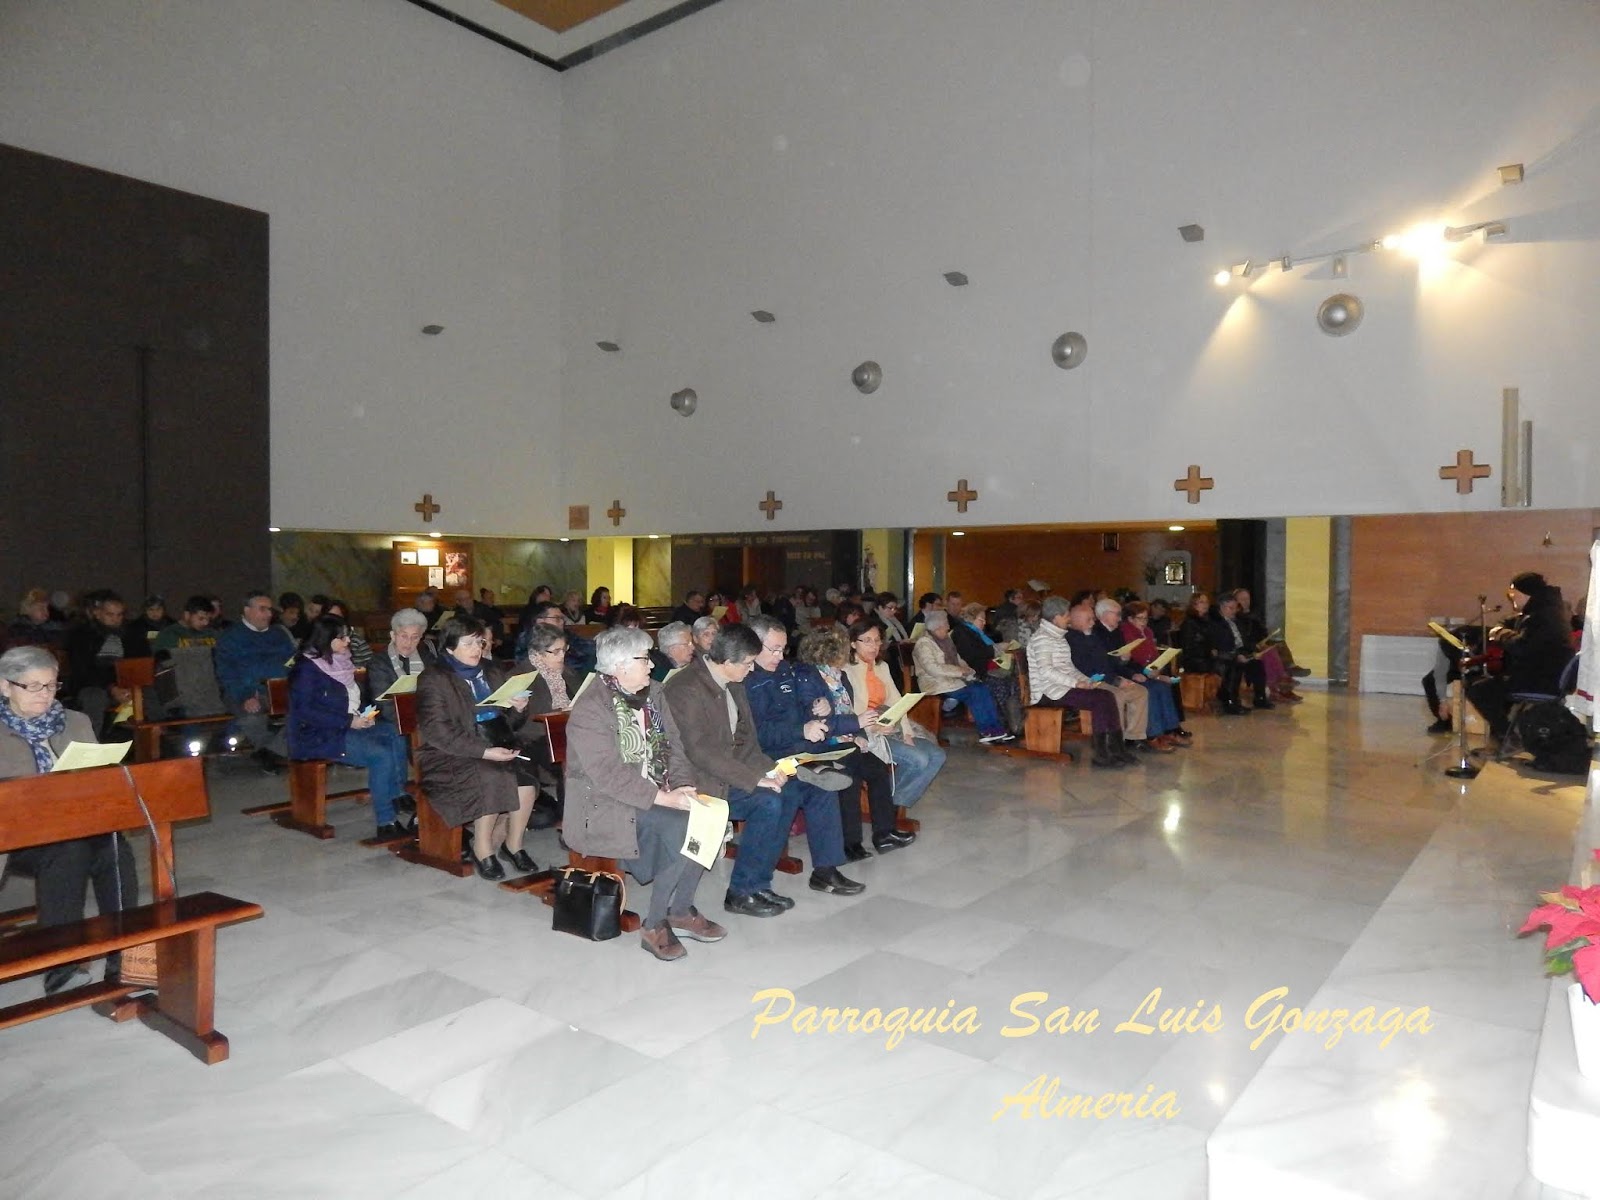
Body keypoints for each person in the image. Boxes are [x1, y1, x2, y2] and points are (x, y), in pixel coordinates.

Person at [566, 627, 726, 961]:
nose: (652, 665)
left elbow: (674, 745)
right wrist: (665, 798)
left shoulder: (653, 692)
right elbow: (607, 774)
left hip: (651, 789)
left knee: (707, 814)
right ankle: (654, 924)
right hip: (605, 801)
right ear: (620, 666)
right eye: (644, 659)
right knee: (681, 826)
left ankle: (680, 910)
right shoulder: (590, 708)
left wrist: (682, 784)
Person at [0, 644, 137, 994]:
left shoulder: (76, 721)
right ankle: (60, 963)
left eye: (51, 685)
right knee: (69, 850)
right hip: (15, 836)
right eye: (32, 686)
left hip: (74, 823)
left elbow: (96, 782)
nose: (44, 695)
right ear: (5, 686)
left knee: (113, 845)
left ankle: (125, 952)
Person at [664, 624, 821, 918]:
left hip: (728, 772)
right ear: (727, 662)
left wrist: (770, 769)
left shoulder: (733, 683)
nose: (752, 670)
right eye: (748, 663)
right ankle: (740, 891)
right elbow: (700, 752)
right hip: (698, 781)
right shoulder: (685, 689)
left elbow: (747, 740)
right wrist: (753, 779)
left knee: (788, 789)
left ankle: (759, 882)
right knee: (767, 801)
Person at [741, 616, 866, 895]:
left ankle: (826, 870)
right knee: (791, 791)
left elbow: (804, 704)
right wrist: (802, 727)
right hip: (768, 755)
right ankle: (756, 882)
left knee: (824, 787)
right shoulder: (745, 680)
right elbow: (756, 734)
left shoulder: (786, 670)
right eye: (772, 649)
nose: (779, 655)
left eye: (783, 649)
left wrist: (817, 705)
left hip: (799, 748)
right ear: (752, 645)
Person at [416, 617, 536, 881]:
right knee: (494, 774)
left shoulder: (491, 671)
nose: (476, 649)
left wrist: (517, 709)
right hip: (447, 753)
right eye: (468, 643)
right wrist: (484, 751)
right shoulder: (433, 678)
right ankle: (482, 848)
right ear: (449, 647)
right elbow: (438, 731)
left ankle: (513, 845)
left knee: (526, 779)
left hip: (493, 744)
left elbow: (508, 724)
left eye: (479, 642)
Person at [286, 616, 413, 840]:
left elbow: (356, 699)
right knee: (380, 754)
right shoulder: (307, 669)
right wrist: (348, 721)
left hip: (347, 725)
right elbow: (304, 711)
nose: (347, 641)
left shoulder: (342, 661)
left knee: (395, 732)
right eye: (342, 637)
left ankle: (398, 794)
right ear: (326, 639)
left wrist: (368, 715)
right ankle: (386, 821)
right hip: (318, 734)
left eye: (348, 635)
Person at [794, 626, 904, 859]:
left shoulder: (839, 675)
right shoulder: (808, 675)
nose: (846, 653)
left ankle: (884, 833)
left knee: (877, 770)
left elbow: (846, 709)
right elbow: (815, 718)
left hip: (845, 737)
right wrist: (854, 724)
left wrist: (858, 735)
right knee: (850, 778)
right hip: (824, 743)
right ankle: (850, 843)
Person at [844, 619, 947, 807]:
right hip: (866, 732)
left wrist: (907, 732)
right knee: (918, 759)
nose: (873, 646)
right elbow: (847, 709)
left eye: (877, 640)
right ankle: (887, 808)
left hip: (891, 724)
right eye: (867, 641)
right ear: (853, 643)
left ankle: (892, 804)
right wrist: (874, 727)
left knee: (938, 756)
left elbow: (896, 702)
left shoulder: (881, 667)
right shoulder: (846, 670)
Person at [1468, 572, 1575, 745]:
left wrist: (1501, 634)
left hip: (1541, 681)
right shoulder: (1548, 610)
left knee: (1479, 689)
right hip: (1546, 676)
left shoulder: (1541, 617)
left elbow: (1521, 647)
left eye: (1513, 593)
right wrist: (1502, 628)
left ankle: (1508, 738)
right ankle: (1508, 734)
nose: (1511, 598)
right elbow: (1516, 625)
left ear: (1525, 593)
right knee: (1491, 686)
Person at [1025, 596, 1130, 769]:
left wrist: (1087, 681)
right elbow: (1046, 671)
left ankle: (1117, 749)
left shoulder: (1057, 637)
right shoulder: (1042, 638)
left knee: (1107, 696)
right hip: (1048, 692)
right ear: (1056, 617)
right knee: (1100, 699)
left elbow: (1069, 668)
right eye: (1067, 615)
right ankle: (1102, 753)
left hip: (1062, 687)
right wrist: (1076, 684)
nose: (1069, 619)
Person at [214, 591, 299, 770]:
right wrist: (245, 695)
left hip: (280, 689)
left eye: (270, 610)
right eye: (263, 609)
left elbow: (293, 662)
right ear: (247, 610)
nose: (268, 614)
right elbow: (227, 673)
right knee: (252, 717)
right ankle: (274, 752)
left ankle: (270, 753)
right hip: (246, 690)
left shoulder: (279, 635)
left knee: (310, 709)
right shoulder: (230, 637)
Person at [912, 610, 1015, 743]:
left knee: (982, 687)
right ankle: (986, 730)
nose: (948, 627)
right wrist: (960, 671)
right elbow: (932, 668)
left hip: (952, 679)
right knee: (975, 692)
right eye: (946, 625)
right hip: (935, 682)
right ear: (937, 628)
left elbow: (958, 659)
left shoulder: (945, 639)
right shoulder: (924, 644)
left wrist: (968, 670)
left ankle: (996, 729)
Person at [62, 590, 131, 737]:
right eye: (110, 614)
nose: (115, 619)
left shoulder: (130, 634)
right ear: (97, 613)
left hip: (125, 685)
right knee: (94, 698)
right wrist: (111, 687)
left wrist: (130, 685)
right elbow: (83, 670)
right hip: (91, 685)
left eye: (119, 615)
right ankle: (91, 744)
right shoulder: (82, 635)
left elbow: (138, 661)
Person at [1120, 601, 1191, 740]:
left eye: (1146, 618)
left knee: (1164, 687)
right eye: (1140, 618)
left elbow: (1153, 654)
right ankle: (1154, 734)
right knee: (1151, 690)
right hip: (1134, 672)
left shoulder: (1148, 631)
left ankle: (1170, 729)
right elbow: (1130, 661)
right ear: (1130, 619)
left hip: (1149, 671)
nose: (1144, 622)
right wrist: (1148, 672)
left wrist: (1159, 669)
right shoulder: (1125, 633)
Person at [950, 601, 1023, 736]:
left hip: (984, 667)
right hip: (976, 671)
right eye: (981, 619)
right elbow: (971, 655)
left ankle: (1013, 724)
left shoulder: (975, 632)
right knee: (1002, 683)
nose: (984, 622)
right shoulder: (962, 632)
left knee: (1012, 681)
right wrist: (997, 649)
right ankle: (1003, 725)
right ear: (971, 618)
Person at [1210, 593, 1271, 714]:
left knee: (1257, 664)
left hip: (1237, 653)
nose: (1233, 611)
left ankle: (1260, 698)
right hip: (1224, 656)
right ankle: (1230, 702)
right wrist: (1238, 655)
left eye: (1235, 607)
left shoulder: (1237, 622)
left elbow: (1243, 641)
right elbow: (1221, 644)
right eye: (1230, 608)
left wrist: (1253, 650)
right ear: (1221, 608)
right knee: (1234, 667)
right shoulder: (1216, 624)